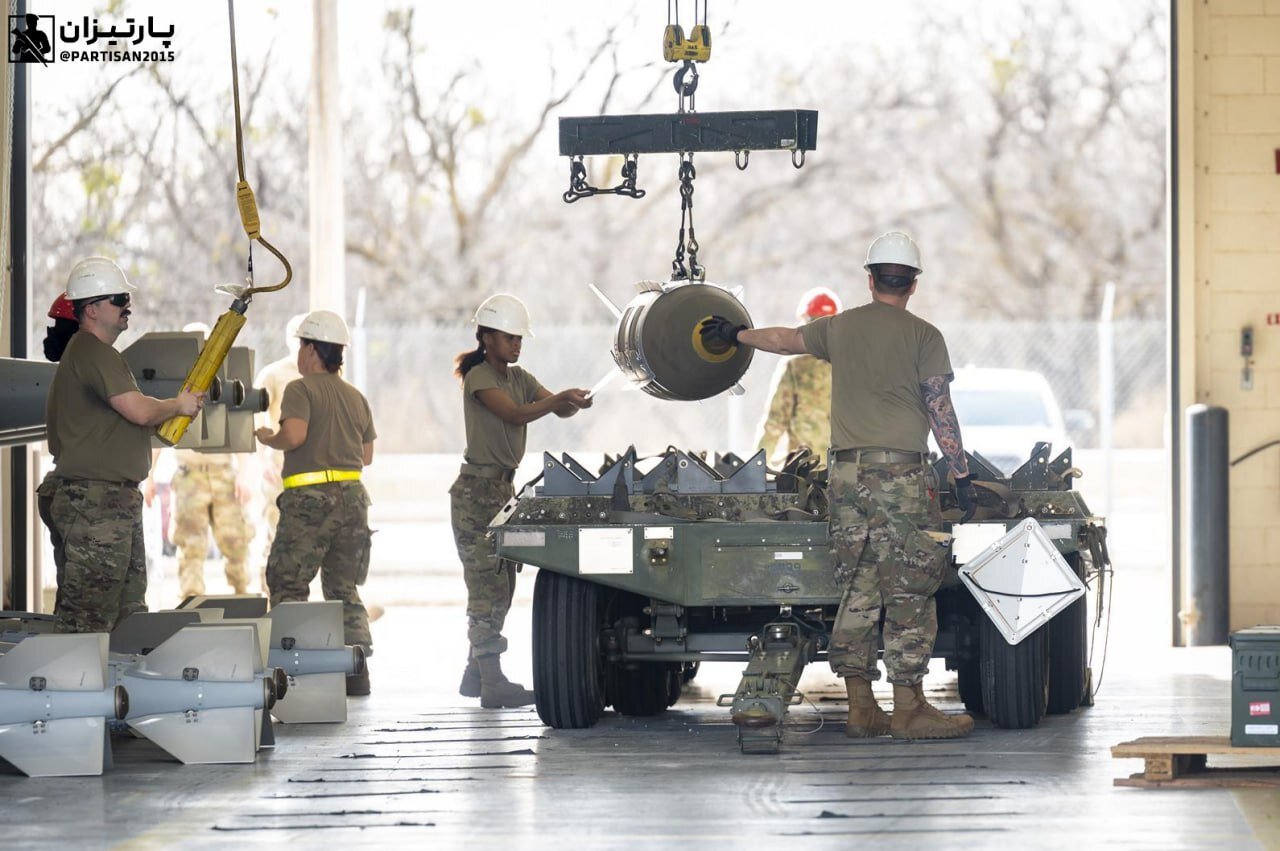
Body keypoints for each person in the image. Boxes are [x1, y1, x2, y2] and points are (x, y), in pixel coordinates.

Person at [700, 231, 977, 740]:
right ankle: (910, 709)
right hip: (902, 476)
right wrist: (961, 473)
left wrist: (735, 334)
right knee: (910, 587)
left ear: (869, 279)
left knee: (858, 586)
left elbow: (783, 340)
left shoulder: (840, 328)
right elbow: (940, 408)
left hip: (846, 477)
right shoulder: (925, 336)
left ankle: (860, 708)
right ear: (912, 284)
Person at [38, 257, 204, 633]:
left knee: (125, 615)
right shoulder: (91, 351)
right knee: (89, 619)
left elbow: (128, 422)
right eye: (118, 299)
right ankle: (75, 688)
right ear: (92, 309)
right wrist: (178, 404)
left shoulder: (96, 355)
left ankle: (108, 686)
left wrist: (170, 412)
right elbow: (137, 411)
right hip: (95, 503)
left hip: (110, 502)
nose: (127, 306)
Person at [450, 294, 592, 708]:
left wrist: (572, 402)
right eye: (509, 337)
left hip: (500, 491)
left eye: (519, 338)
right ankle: (491, 681)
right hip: (477, 492)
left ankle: (476, 673)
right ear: (486, 337)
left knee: (503, 583)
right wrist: (556, 400)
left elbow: (553, 409)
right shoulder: (480, 376)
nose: (516, 344)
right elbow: (514, 414)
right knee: (486, 585)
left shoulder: (519, 377)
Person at [255, 310, 377, 696]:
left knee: (287, 581)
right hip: (354, 500)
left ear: (310, 349)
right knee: (344, 587)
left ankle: (295, 672)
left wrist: (268, 437)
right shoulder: (355, 396)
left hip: (311, 502)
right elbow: (367, 454)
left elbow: (294, 435)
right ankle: (356, 671)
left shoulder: (300, 389)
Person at [167, 322, 253, 601]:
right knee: (190, 543)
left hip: (222, 473)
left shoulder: (226, 379)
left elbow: (240, 426)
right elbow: (161, 429)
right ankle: (190, 599)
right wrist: (151, 475)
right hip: (190, 474)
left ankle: (242, 594)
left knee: (235, 540)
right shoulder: (175, 381)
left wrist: (243, 474)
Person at [756, 287, 841, 467]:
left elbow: (775, 422)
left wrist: (757, 467)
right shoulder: (854, 363)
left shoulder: (795, 366)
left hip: (807, 471)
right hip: (846, 470)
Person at [252, 312, 306, 591]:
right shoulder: (273, 375)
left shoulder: (326, 374)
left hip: (314, 468)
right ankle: (270, 594)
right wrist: (264, 462)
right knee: (275, 533)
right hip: (280, 469)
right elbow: (257, 419)